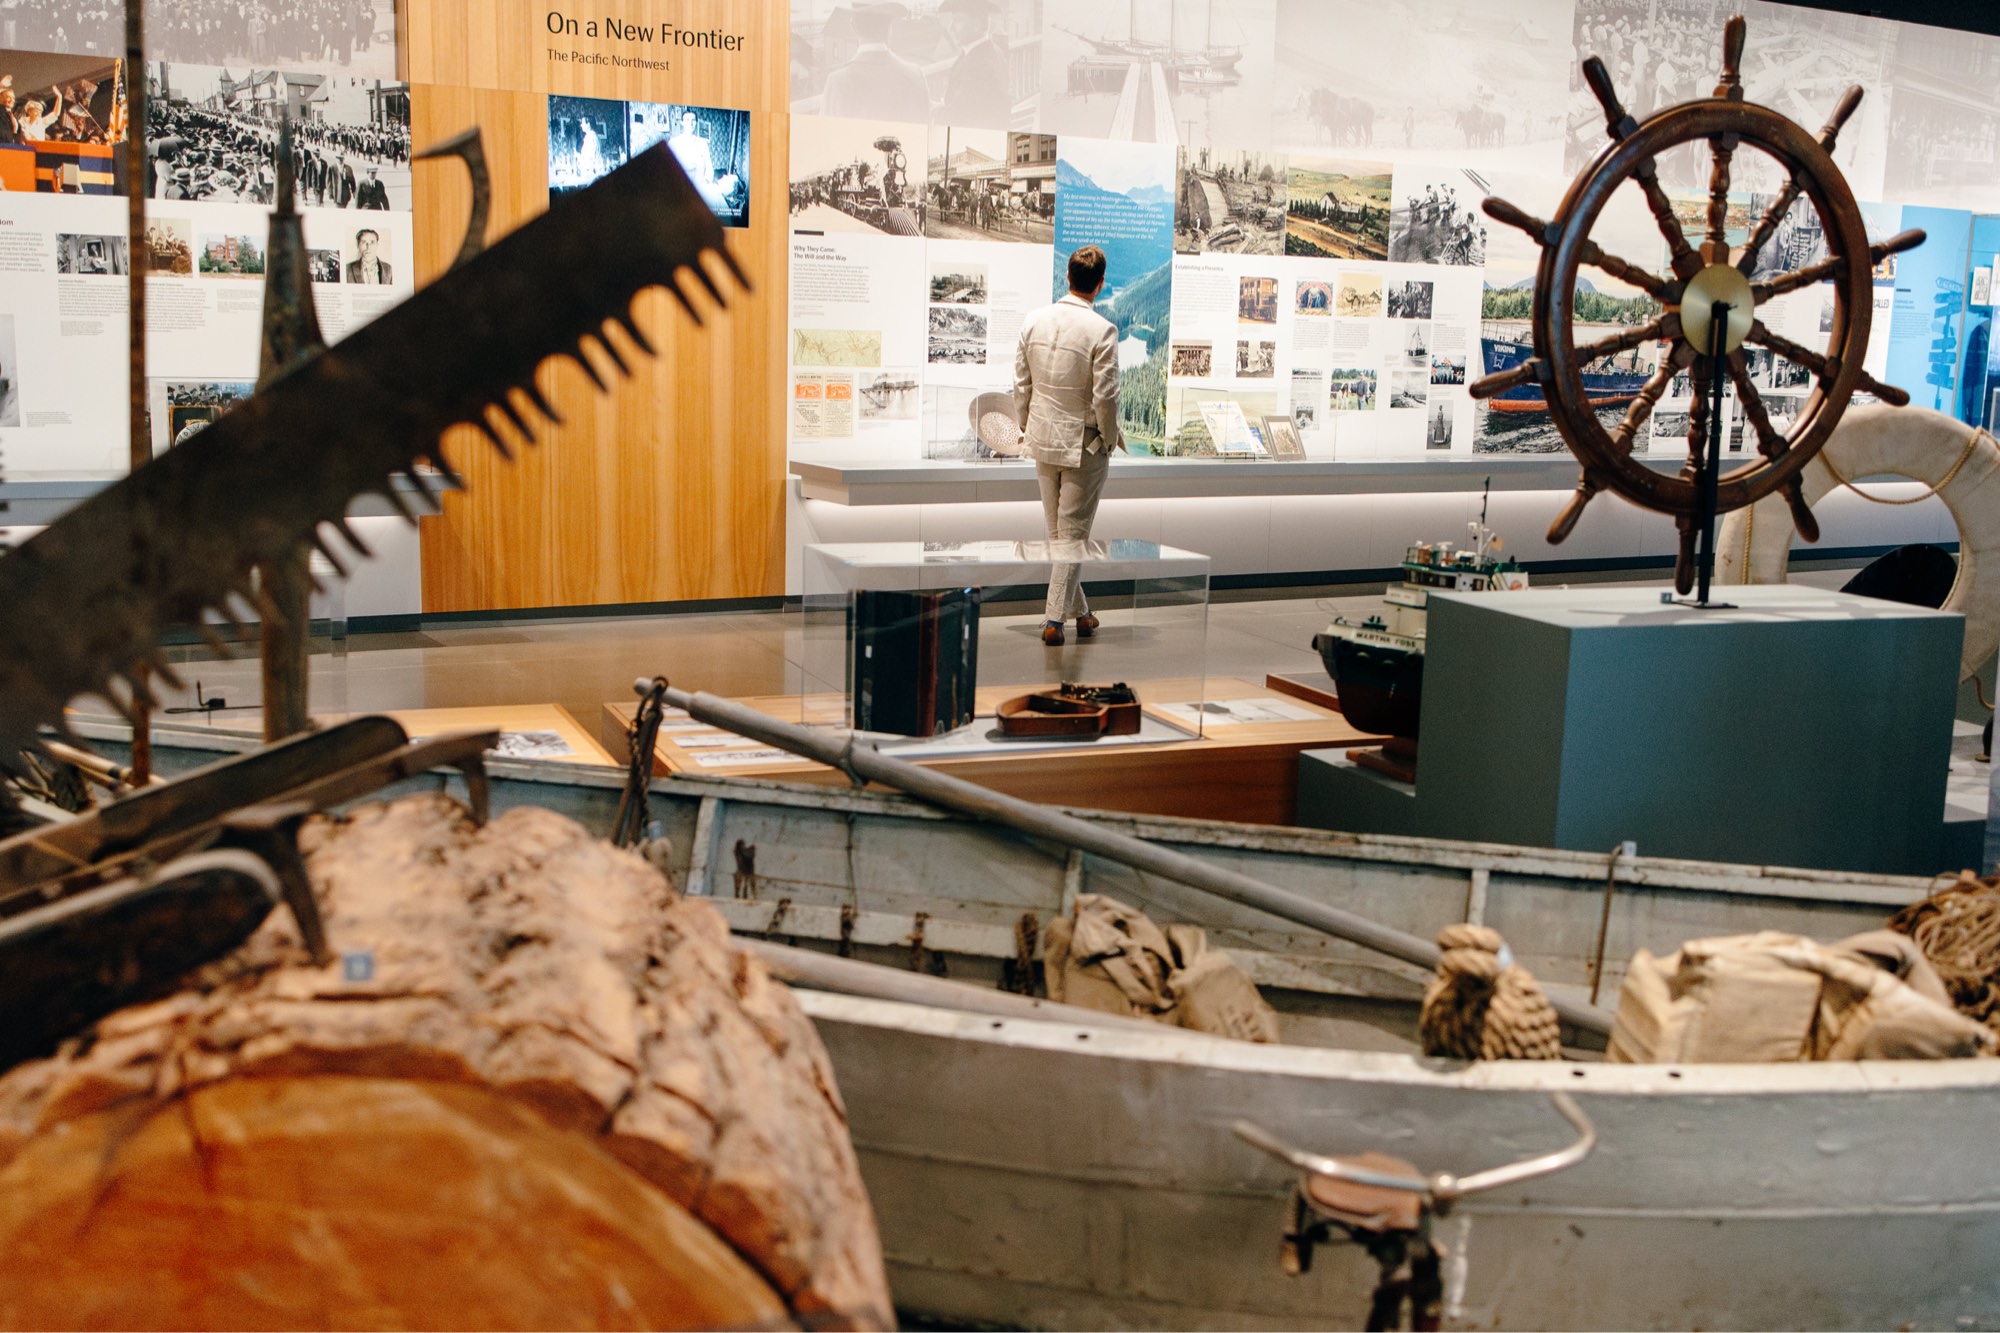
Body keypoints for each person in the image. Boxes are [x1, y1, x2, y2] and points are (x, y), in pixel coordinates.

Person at [1014, 244, 1123, 648]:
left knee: (1060, 533)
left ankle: (1083, 613)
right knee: (1072, 535)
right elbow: (1106, 397)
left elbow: (1020, 385)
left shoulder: (1033, 321)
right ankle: (1053, 620)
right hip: (1084, 445)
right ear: (1099, 285)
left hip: (1043, 441)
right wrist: (1109, 440)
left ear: (1067, 277)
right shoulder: (1102, 330)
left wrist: (1027, 426)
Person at [820, 3, 929, 123]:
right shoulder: (915, 75)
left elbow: (828, 137)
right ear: (889, 29)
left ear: (853, 27)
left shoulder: (837, 81)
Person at [936, 0, 1008, 129]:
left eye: (958, 20)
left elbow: (958, 117)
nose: (950, 27)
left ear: (976, 25)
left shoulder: (979, 65)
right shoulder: (994, 51)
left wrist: (934, 110)